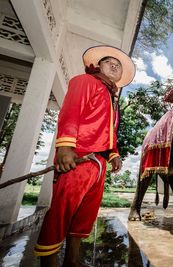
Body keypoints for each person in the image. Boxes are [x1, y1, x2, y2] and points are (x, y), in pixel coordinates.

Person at [34, 45, 135, 267]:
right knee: (61, 212)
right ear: (97, 66)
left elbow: (110, 132)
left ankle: (72, 260)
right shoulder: (85, 81)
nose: (115, 65)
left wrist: (114, 154)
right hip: (78, 157)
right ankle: (48, 262)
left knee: (84, 215)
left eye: (118, 66)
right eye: (110, 62)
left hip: (98, 164)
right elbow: (70, 111)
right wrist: (65, 147)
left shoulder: (113, 102)